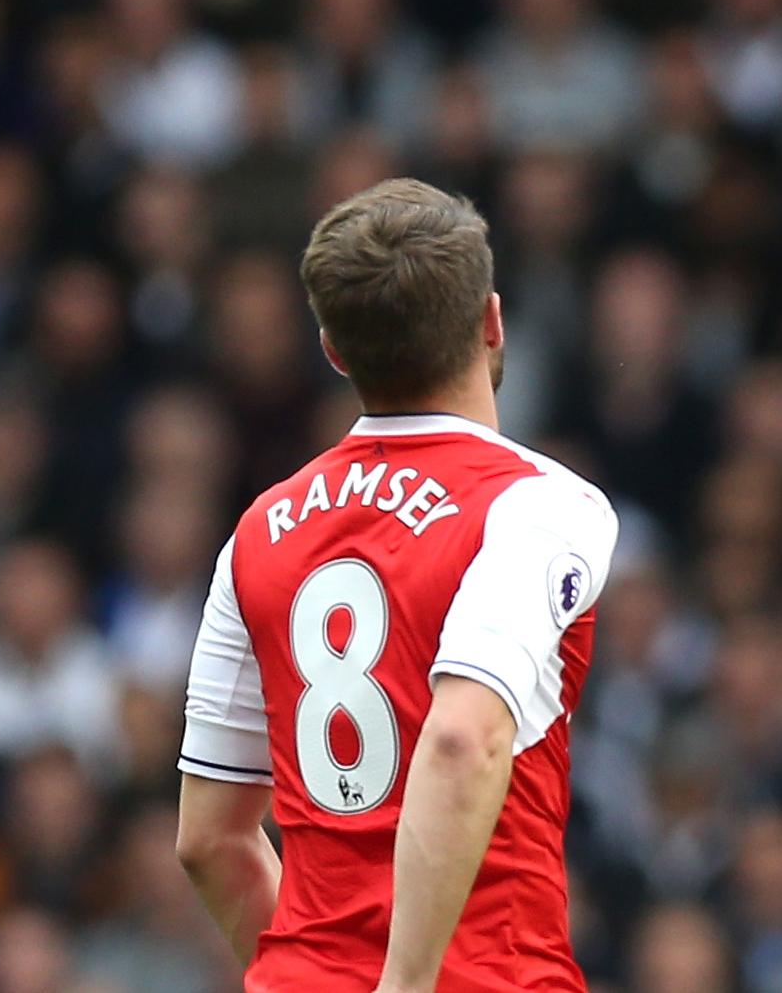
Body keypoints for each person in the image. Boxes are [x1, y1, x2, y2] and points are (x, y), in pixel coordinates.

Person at [172, 178, 619, 991]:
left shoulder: (258, 531)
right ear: (490, 319)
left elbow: (209, 840)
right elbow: (461, 738)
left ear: (334, 350)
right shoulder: (536, 507)